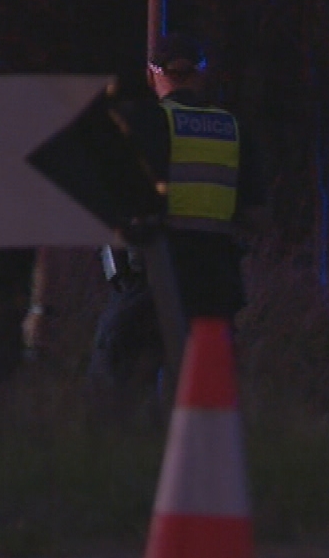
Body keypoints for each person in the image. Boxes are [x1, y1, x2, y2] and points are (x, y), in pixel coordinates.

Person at [82, 33, 257, 412]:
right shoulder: (233, 129)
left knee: (115, 389)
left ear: (153, 73)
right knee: (208, 402)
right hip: (215, 284)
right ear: (201, 74)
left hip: (149, 282)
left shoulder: (136, 124)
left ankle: (130, 462)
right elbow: (256, 214)